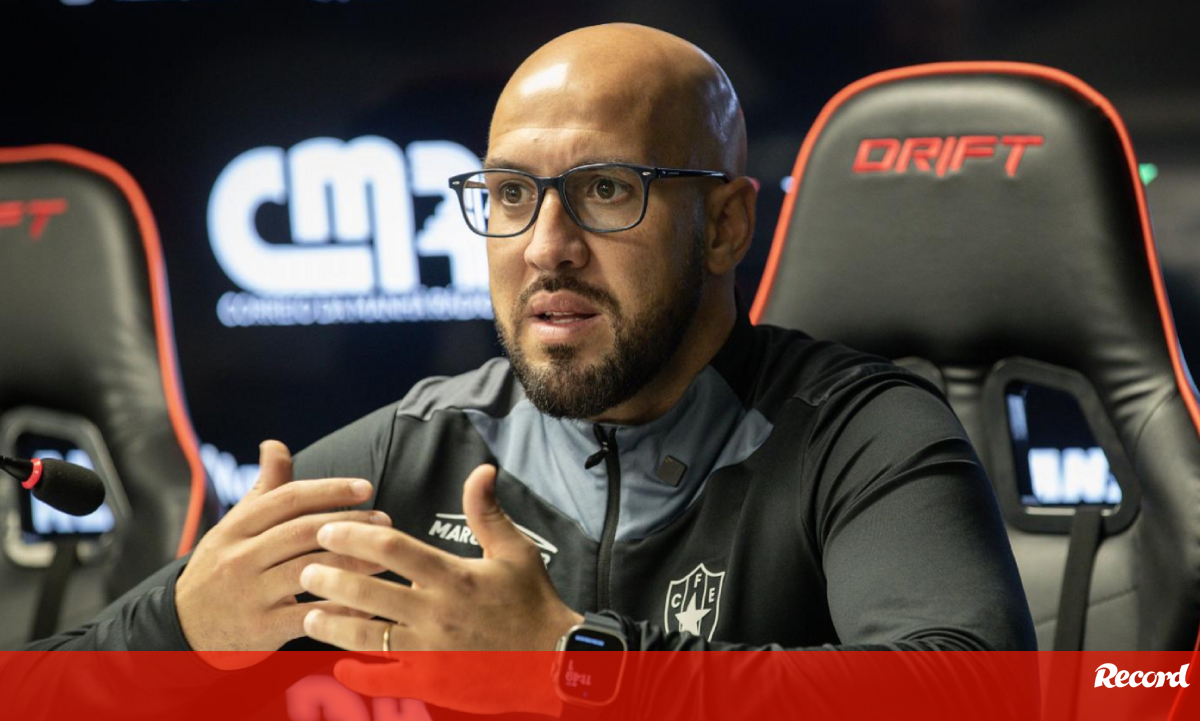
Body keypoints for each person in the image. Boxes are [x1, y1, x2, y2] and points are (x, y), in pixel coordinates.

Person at [30, 21, 1035, 715]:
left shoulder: (856, 430)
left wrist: (570, 663)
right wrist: (181, 630)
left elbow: (975, 693)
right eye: (511, 194)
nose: (547, 246)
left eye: (606, 190)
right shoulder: (417, 449)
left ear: (727, 224)